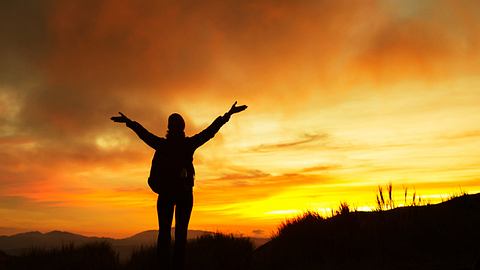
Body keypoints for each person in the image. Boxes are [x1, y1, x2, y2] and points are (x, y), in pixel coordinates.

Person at [111, 101, 247, 270]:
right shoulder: (188, 145)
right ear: (183, 127)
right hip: (184, 194)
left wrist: (129, 123)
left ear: (169, 127)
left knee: (164, 234)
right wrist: (228, 115)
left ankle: (163, 266)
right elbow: (210, 132)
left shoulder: (162, 145)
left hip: (166, 195)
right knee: (180, 235)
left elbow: (144, 134)